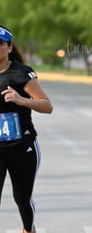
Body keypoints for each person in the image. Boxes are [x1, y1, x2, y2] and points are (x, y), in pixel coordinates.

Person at [0, 25, 53, 233]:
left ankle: (28, 229)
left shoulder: (21, 74)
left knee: (22, 198)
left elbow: (47, 106)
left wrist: (21, 100)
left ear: (9, 47)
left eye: (0, 44)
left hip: (22, 147)